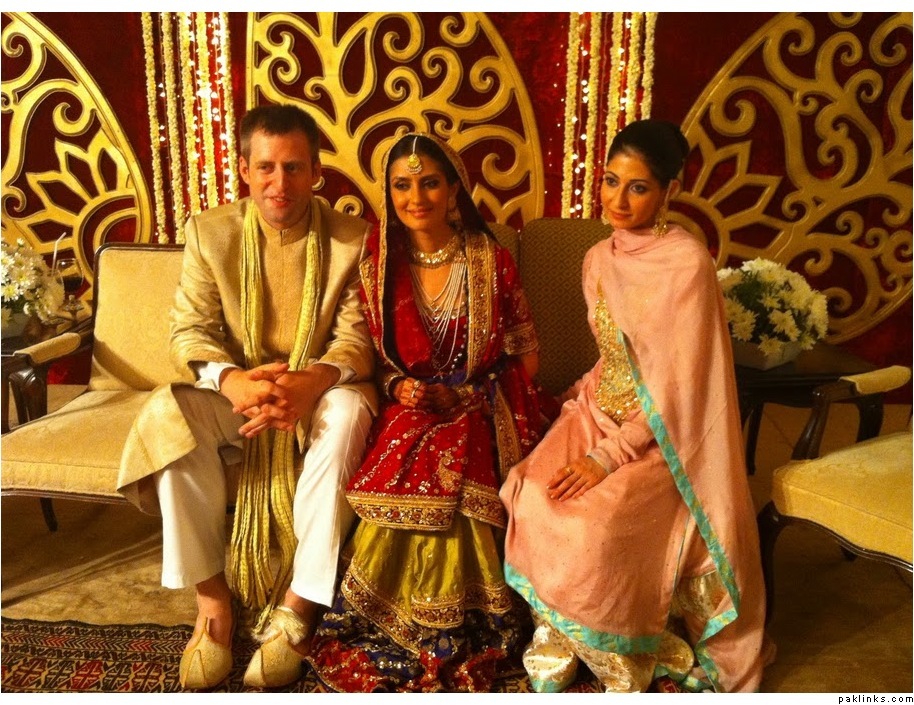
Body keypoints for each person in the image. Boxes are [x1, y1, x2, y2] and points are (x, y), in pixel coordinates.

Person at [499, 119, 772, 693]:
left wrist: (608, 456)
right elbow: (613, 356)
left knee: (592, 526)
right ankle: (561, 633)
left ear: (671, 191)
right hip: (595, 412)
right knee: (532, 491)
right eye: (610, 180)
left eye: (638, 187)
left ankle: (621, 651)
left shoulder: (686, 264)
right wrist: (572, 401)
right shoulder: (598, 257)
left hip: (662, 436)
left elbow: (680, 387)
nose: (618, 200)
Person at [116, 104, 377, 690]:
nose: (279, 183)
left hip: (315, 393)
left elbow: (357, 338)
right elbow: (190, 331)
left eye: (294, 167)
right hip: (238, 394)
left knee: (348, 412)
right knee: (168, 413)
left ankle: (299, 608)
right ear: (244, 170)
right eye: (266, 168)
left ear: (316, 173)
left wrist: (312, 381)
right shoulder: (210, 234)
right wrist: (233, 380)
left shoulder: (353, 238)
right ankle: (213, 605)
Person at [306, 132, 556, 692]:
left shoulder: (488, 258)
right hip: (411, 405)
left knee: (458, 455)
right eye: (402, 185)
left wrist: (473, 396)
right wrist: (399, 388)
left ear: (454, 190)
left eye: (430, 183)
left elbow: (526, 356)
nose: (415, 197)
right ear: (388, 193)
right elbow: (371, 358)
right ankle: (392, 619)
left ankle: (467, 620)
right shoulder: (378, 266)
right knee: (412, 456)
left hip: (483, 403)